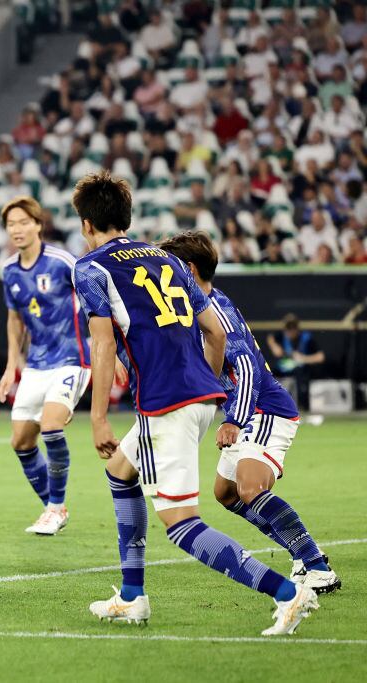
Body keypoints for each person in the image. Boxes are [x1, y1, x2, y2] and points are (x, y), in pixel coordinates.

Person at [72, 171, 317, 636]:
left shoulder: (90, 268)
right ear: (127, 216)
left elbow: (102, 346)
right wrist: (204, 379)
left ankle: (289, 594)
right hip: (200, 395)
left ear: (87, 224)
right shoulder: (168, 259)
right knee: (120, 471)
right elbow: (217, 332)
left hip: (165, 403)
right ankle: (131, 597)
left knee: (182, 525)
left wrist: (98, 416)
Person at [159, 232, 340, 593]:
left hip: (265, 410)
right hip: (248, 410)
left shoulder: (217, 311)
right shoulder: (201, 304)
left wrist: (233, 420)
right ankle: (304, 553)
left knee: (250, 487)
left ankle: (318, 566)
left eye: (169, 267)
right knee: (225, 493)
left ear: (189, 269)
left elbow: (246, 366)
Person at [0, 196, 91, 536]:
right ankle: (56, 508)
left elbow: (96, 304)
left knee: (51, 426)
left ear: (38, 224)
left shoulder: (62, 261)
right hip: (36, 363)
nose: (17, 229)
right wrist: (11, 367)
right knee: (21, 441)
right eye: (11, 224)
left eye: (23, 222)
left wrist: (115, 354)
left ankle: (54, 508)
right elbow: (14, 321)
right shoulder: (9, 270)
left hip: (72, 357)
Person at [267, 314, 324, 411]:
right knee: (269, 374)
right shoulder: (282, 335)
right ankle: (271, 404)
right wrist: (275, 347)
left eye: (292, 328)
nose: (290, 332)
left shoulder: (307, 338)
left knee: (301, 375)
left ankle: (302, 406)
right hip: (285, 367)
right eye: (287, 329)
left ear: (297, 329)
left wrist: (304, 358)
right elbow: (270, 338)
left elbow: (320, 357)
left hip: (301, 369)